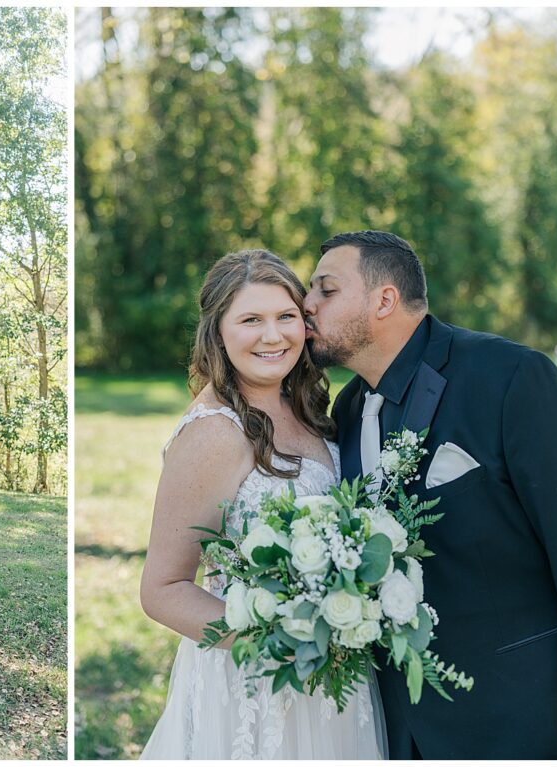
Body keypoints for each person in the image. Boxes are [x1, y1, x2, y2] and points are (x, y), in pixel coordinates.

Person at [304, 229, 557, 759]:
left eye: (325, 290)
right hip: (398, 722)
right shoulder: (349, 408)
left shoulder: (512, 377)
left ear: (384, 300)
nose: (305, 305)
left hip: (520, 709)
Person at [139, 249, 384, 759]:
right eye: (251, 319)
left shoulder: (311, 409)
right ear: (218, 332)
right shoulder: (214, 433)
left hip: (334, 677)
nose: (273, 336)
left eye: (286, 317)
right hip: (255, 685)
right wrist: (283, 640)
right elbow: (162, 590)